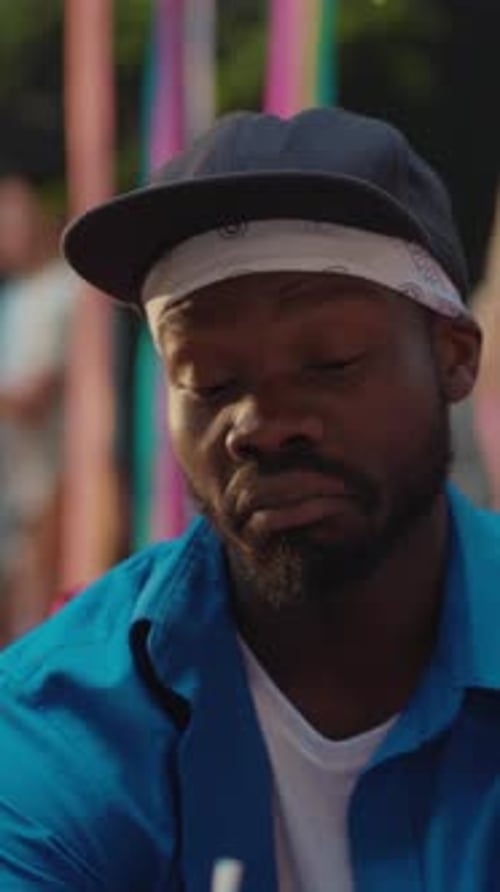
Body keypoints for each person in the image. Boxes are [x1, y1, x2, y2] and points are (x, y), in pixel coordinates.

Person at [0, 106, 496, 892]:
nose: (260, 424)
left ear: (453, 358)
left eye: (329, 361)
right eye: (209, 381)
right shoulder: (58, 721)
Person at [0, 175, 79, 645]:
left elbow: (35, 395)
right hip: (15, 482)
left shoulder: (64, 291)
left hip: (50, 478)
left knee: (35, 618)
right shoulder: (14, 296)